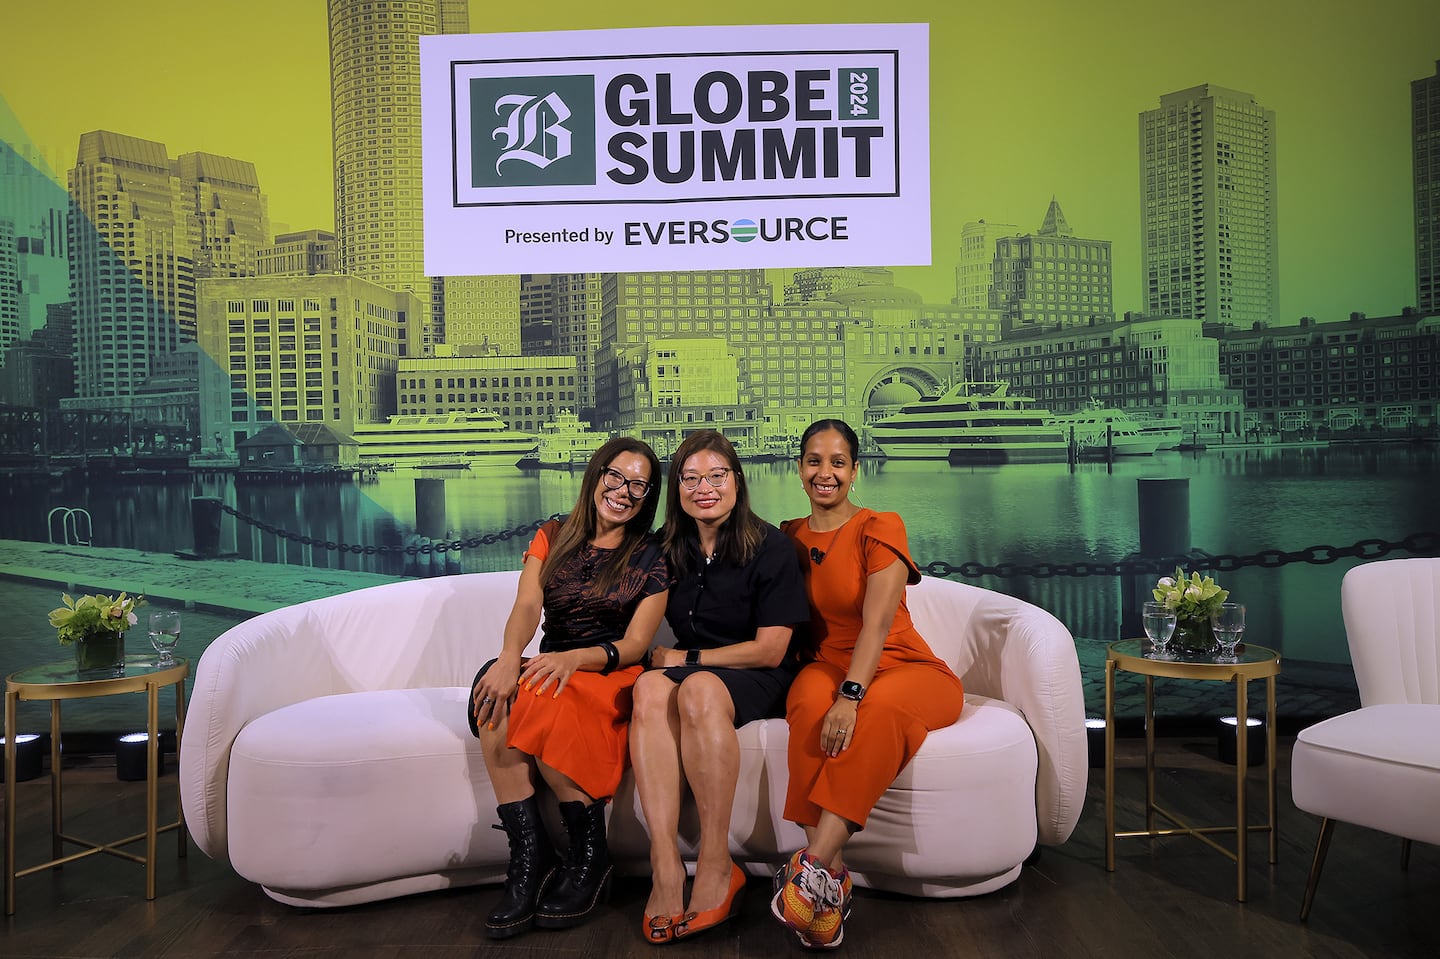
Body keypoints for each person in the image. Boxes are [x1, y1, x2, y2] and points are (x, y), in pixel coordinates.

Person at [772, 419, 965, 950]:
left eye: (837, 462)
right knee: (808, 706)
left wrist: (851, 696)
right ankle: (831, 885)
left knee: (875, 713)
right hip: (826, 664)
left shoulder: (881, 525)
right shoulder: (786, 536)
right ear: (799, 468)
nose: (825, 472)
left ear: (855, 471)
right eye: (814, 460)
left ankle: (811, 867)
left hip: (905, 668)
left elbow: (878, 624)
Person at [468, 437, 670, 939]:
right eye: (616, 477)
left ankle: (588, 857)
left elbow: (636, 644)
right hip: (551, 662)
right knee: (496, 690)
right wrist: (509, 661)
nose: (623, 492)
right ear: (597, 474)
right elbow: (526, 607)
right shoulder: (552, 534)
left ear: (647, 498)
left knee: (543, 692)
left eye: (638, 486)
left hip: (608, 672)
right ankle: (529, 859)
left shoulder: (652, 554)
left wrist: (571, 660)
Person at [629, 430, 810, 944]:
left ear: (737, 480)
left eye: (716, 475)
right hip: (695, 673)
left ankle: (715, 864)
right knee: (647, 689)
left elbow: (772, 649)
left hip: (758, 675)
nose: (703, 487)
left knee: (698, 688)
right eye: (690, 477)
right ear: (677, 488)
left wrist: (683, 658)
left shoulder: (771, 545)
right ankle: (665, 864)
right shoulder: (667, 545)